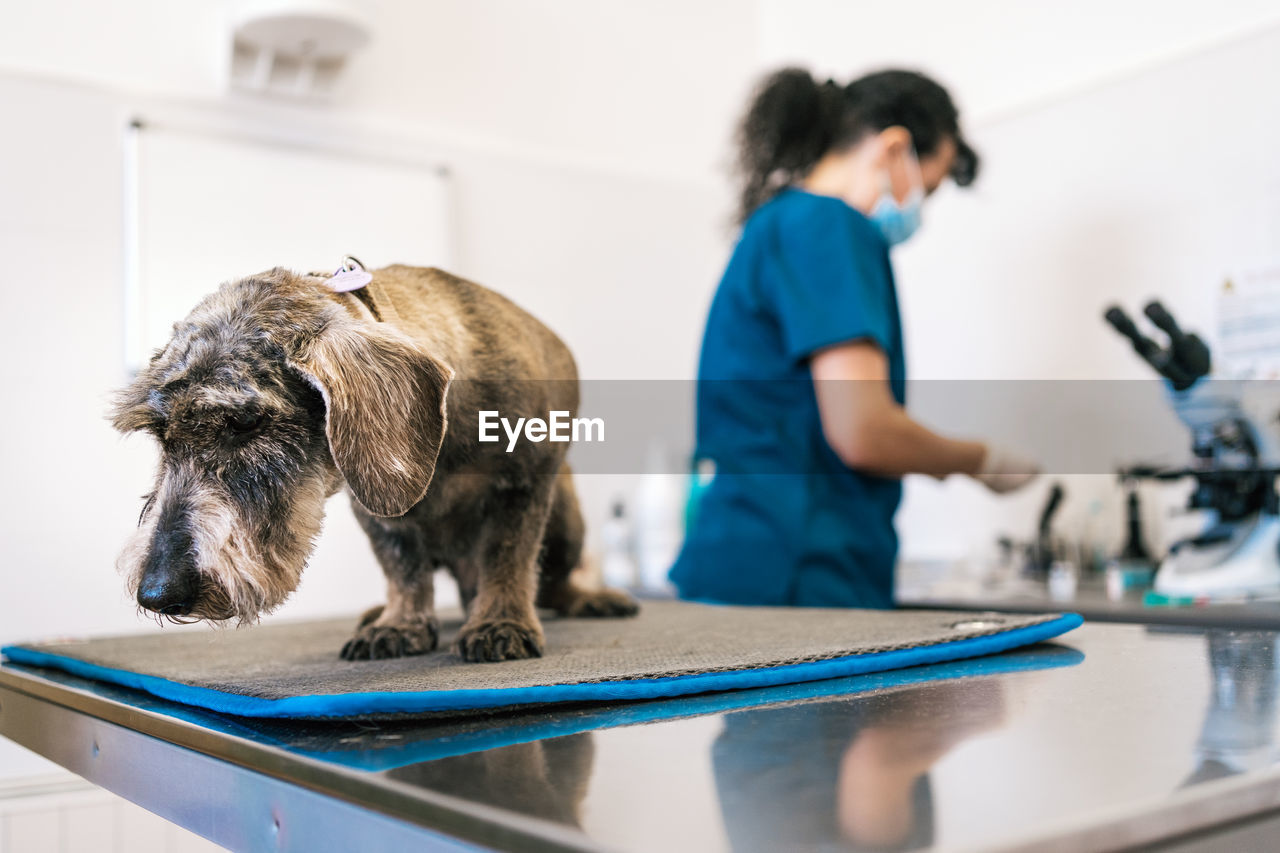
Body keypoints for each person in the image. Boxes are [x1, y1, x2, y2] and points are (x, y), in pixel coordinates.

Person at [670, 67, 1039, 608]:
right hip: (801, 576)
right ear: (894, 148)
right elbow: (863, 431)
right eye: (927, 188)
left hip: (746, 564)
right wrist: (980, 460)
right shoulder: (827, 226)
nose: (919, 210)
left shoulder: (780, 223)